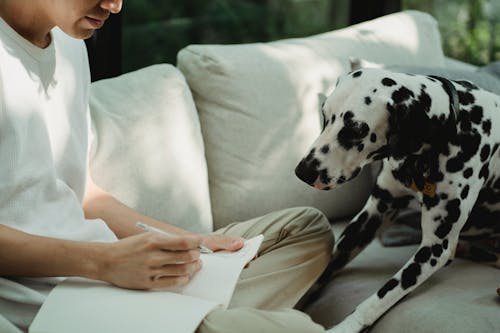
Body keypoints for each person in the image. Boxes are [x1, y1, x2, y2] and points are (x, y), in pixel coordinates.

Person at [0, 1, 334, 332]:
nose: (114, 6)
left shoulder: (71, 47)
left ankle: (193, 314)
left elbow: (84, 194)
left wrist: (192, 241)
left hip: (110, 270)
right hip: (52, 301)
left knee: (305, 230)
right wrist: (103, 263)